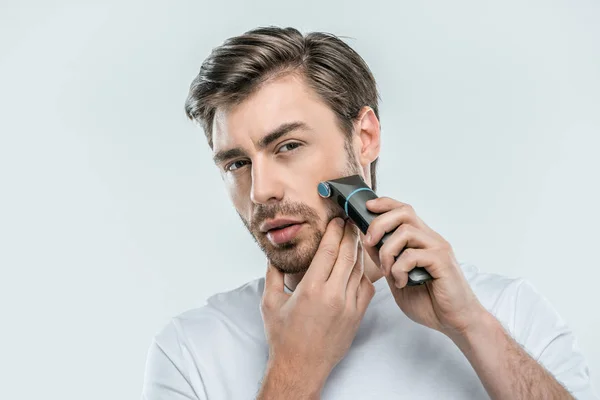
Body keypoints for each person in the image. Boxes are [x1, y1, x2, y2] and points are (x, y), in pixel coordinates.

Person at [141, 26, 596, 399]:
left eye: (289, 146)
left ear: (364, 138)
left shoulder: (507, 313)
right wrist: (294, 373)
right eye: (237, 164)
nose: (261, 191)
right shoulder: (190, 351)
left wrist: (470, 327)